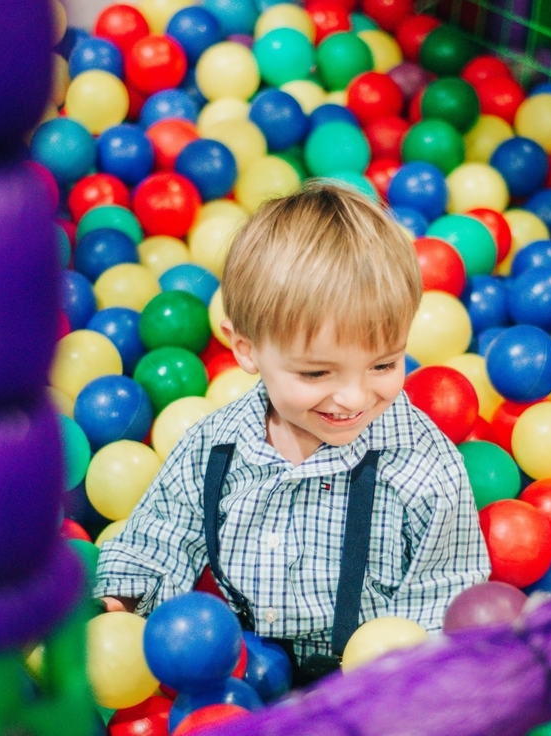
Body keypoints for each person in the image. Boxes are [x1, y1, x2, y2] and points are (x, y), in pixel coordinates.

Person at [95, 181, 490, 681]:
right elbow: (159, 537)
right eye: (317, 373)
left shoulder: (422, 470)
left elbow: (443, 598)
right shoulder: (215, 447)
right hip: (234, 672)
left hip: (364, 690)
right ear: (247, 349)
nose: (353, 397)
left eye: (384, 364)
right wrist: (120, 601)